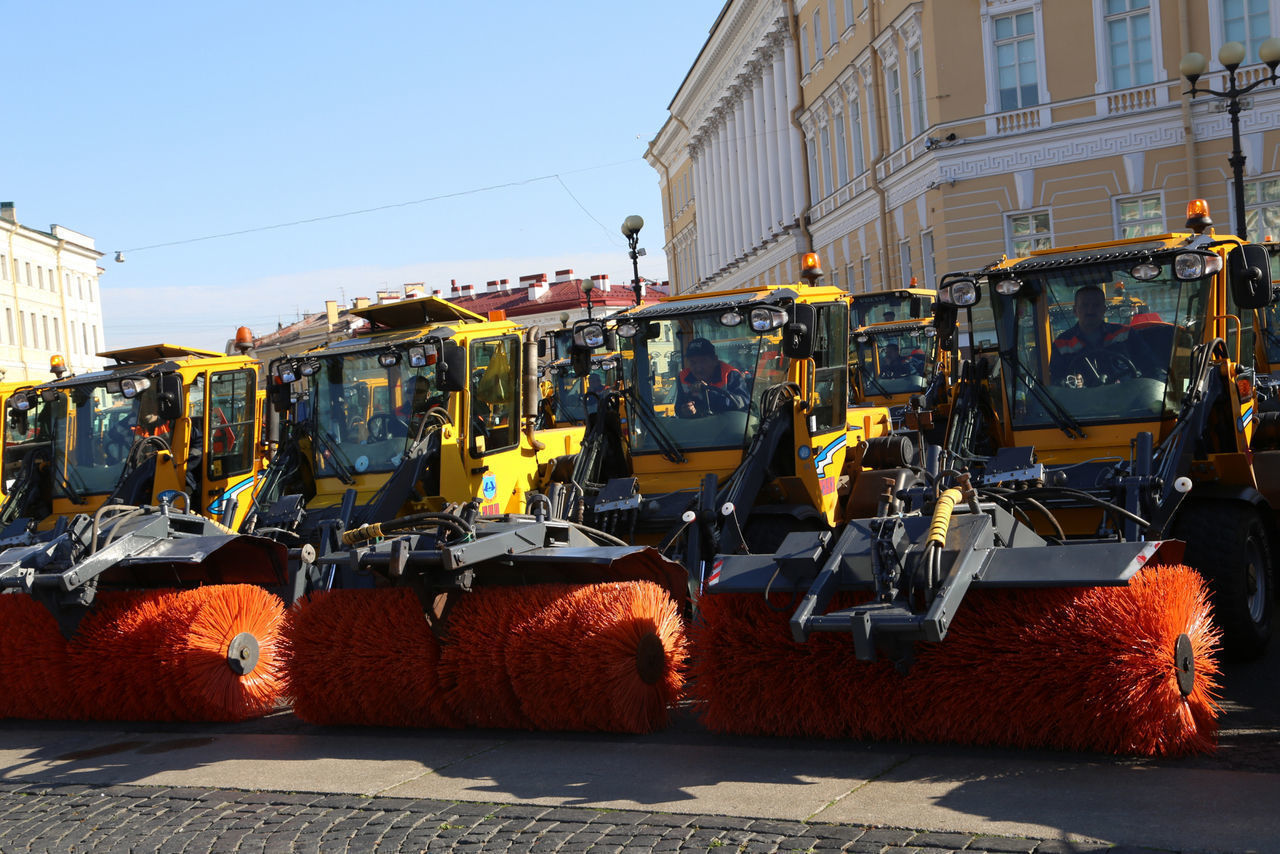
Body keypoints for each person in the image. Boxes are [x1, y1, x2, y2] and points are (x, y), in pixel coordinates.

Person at [1050, 285, 1132, 385]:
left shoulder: (1126, 335)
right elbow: (1055, 382)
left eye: (1096, 305)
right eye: (1084, 305)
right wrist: (1071, 382)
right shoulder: (1061, 344)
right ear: (1075, 310)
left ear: (1104, 309)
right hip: (1082, 395)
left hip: (1125, 394)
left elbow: (1148, 369)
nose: (1090, 310)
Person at [675, 338, 750, 418]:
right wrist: (684, 411)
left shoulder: (730, 374)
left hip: (728, 423)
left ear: (715, 360)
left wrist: (708, 393)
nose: (698, 368)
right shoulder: (683, 377)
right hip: (697, 424)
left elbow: (744, 403)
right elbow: (678, 408)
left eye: (703, 361)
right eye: (693, 362)